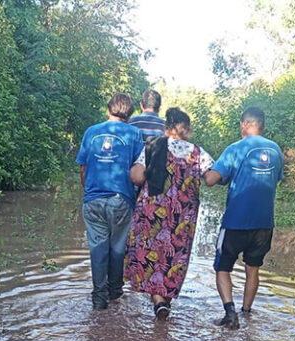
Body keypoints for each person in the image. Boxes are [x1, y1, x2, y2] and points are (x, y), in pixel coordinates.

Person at [125, 108, 214, 320]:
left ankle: (158, 301)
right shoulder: (198, 152)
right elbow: (210, 178)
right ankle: (165, 302)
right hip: (183, 215)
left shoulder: (154, 146)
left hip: (152, 210)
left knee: (150, 253)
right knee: (174, 257)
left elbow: (136, 177)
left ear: (167, 129)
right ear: (188, 130)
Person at [203, 106, 283, 329]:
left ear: (244, 125)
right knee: (253, 269)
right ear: (262, 125)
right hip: (264, 224)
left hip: (236, 222)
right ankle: (246, 313)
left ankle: (230, 313)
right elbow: (274, 180)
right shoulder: (276, 150)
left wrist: (207, 170)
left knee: (222, 268)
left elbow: (211, 179)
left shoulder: (236, 148)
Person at [76, 93, 147, 310]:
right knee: (118, 247)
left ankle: (99, 297)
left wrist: (88, 191)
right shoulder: (135, 134)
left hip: (93, 198)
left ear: (108, 110)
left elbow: (83, 168)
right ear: (131, 114)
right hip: (121, 199)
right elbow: (138, 170)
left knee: (98, 247)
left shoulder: (91, 131)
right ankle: (115, 293)